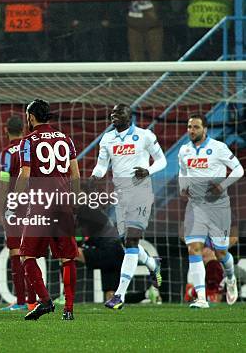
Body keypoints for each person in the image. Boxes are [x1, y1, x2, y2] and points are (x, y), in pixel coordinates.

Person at [90, 103, 166, 310]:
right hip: (121, 196)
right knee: (127, 243)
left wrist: (148, 170)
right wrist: (95, 176)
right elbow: (102, 165)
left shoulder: (145, 135)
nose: (114, 116)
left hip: (141, 192)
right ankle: (152, 264)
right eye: (112, 113)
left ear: (129, 116)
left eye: (119, 113)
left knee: (132, 239)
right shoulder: (107, 139)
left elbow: (162, 161)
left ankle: (119, 295)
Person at [15, 99, 80, 321]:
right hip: (63, 204)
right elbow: (76, 175)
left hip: (41, 203)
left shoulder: (27, 141)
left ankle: (45, 301)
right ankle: (69, 309)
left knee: (27, 255)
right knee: (67, 258)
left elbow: (25, 173)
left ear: (31, 117)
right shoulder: (66, 139)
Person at [178, 114, 244, 308]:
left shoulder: (218, 148)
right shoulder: (184, 150)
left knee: (221, 252)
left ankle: (230, 277)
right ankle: (201, 298)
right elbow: (183, 171)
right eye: (189, 127)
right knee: (194, 248)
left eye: (196, 127)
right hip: (195, 205)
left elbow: (239, 170)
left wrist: (222, 186)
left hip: (218, 206)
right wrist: (183, 186)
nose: (192, 130)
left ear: (205, 129)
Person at [0, 115, 35, 311]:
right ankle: (33, 299)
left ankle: (22, 301)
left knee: (15, 250)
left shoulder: (6, 153)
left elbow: (5, 181)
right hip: (35, 202)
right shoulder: (31, 147)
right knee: (30, 251)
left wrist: (2, 206)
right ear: (23, 129)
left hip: (15, 204)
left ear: (6, 130)